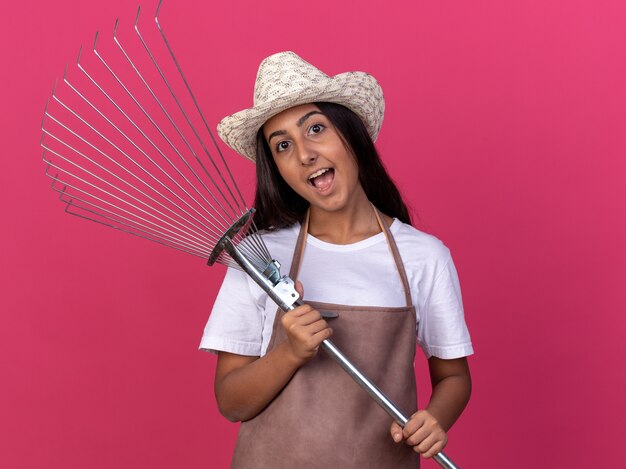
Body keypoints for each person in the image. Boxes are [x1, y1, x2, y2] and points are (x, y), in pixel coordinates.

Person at [200, 51, 473, 468]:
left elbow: (453, 376)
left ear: (352, 134)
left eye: (316, 128)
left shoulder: (424, 257)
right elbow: (231, 402)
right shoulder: (259, 258)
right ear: (276, 167)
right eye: (283, 145)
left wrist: (435, 419)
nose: (305, 154)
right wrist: (289, 352)